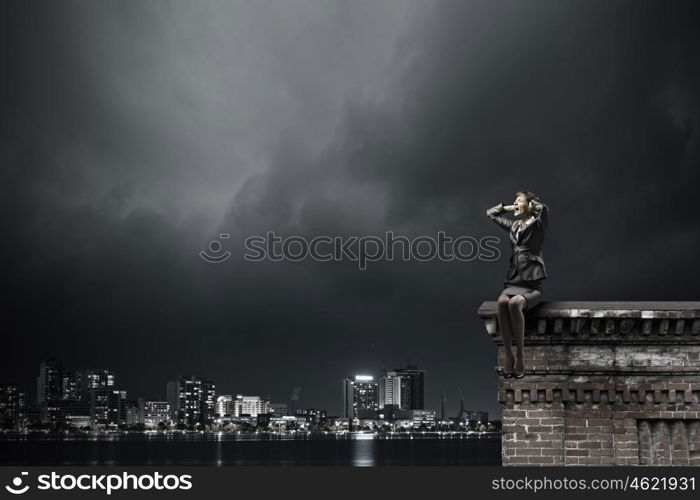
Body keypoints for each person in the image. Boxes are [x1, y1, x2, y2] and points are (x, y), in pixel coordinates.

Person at [486, 191, 548, 379]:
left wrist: (530, 204)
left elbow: (543, 208)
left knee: (514, 304)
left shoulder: (538, 225)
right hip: (513, 280)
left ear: (529, 205)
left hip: (531, 285)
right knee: (502, 302)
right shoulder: (514, 227)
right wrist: (508, 206)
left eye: (518, 201)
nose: (515, 204)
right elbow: (491, 213)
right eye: (514, 202)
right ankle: (509, 356)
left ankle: (520, 356)